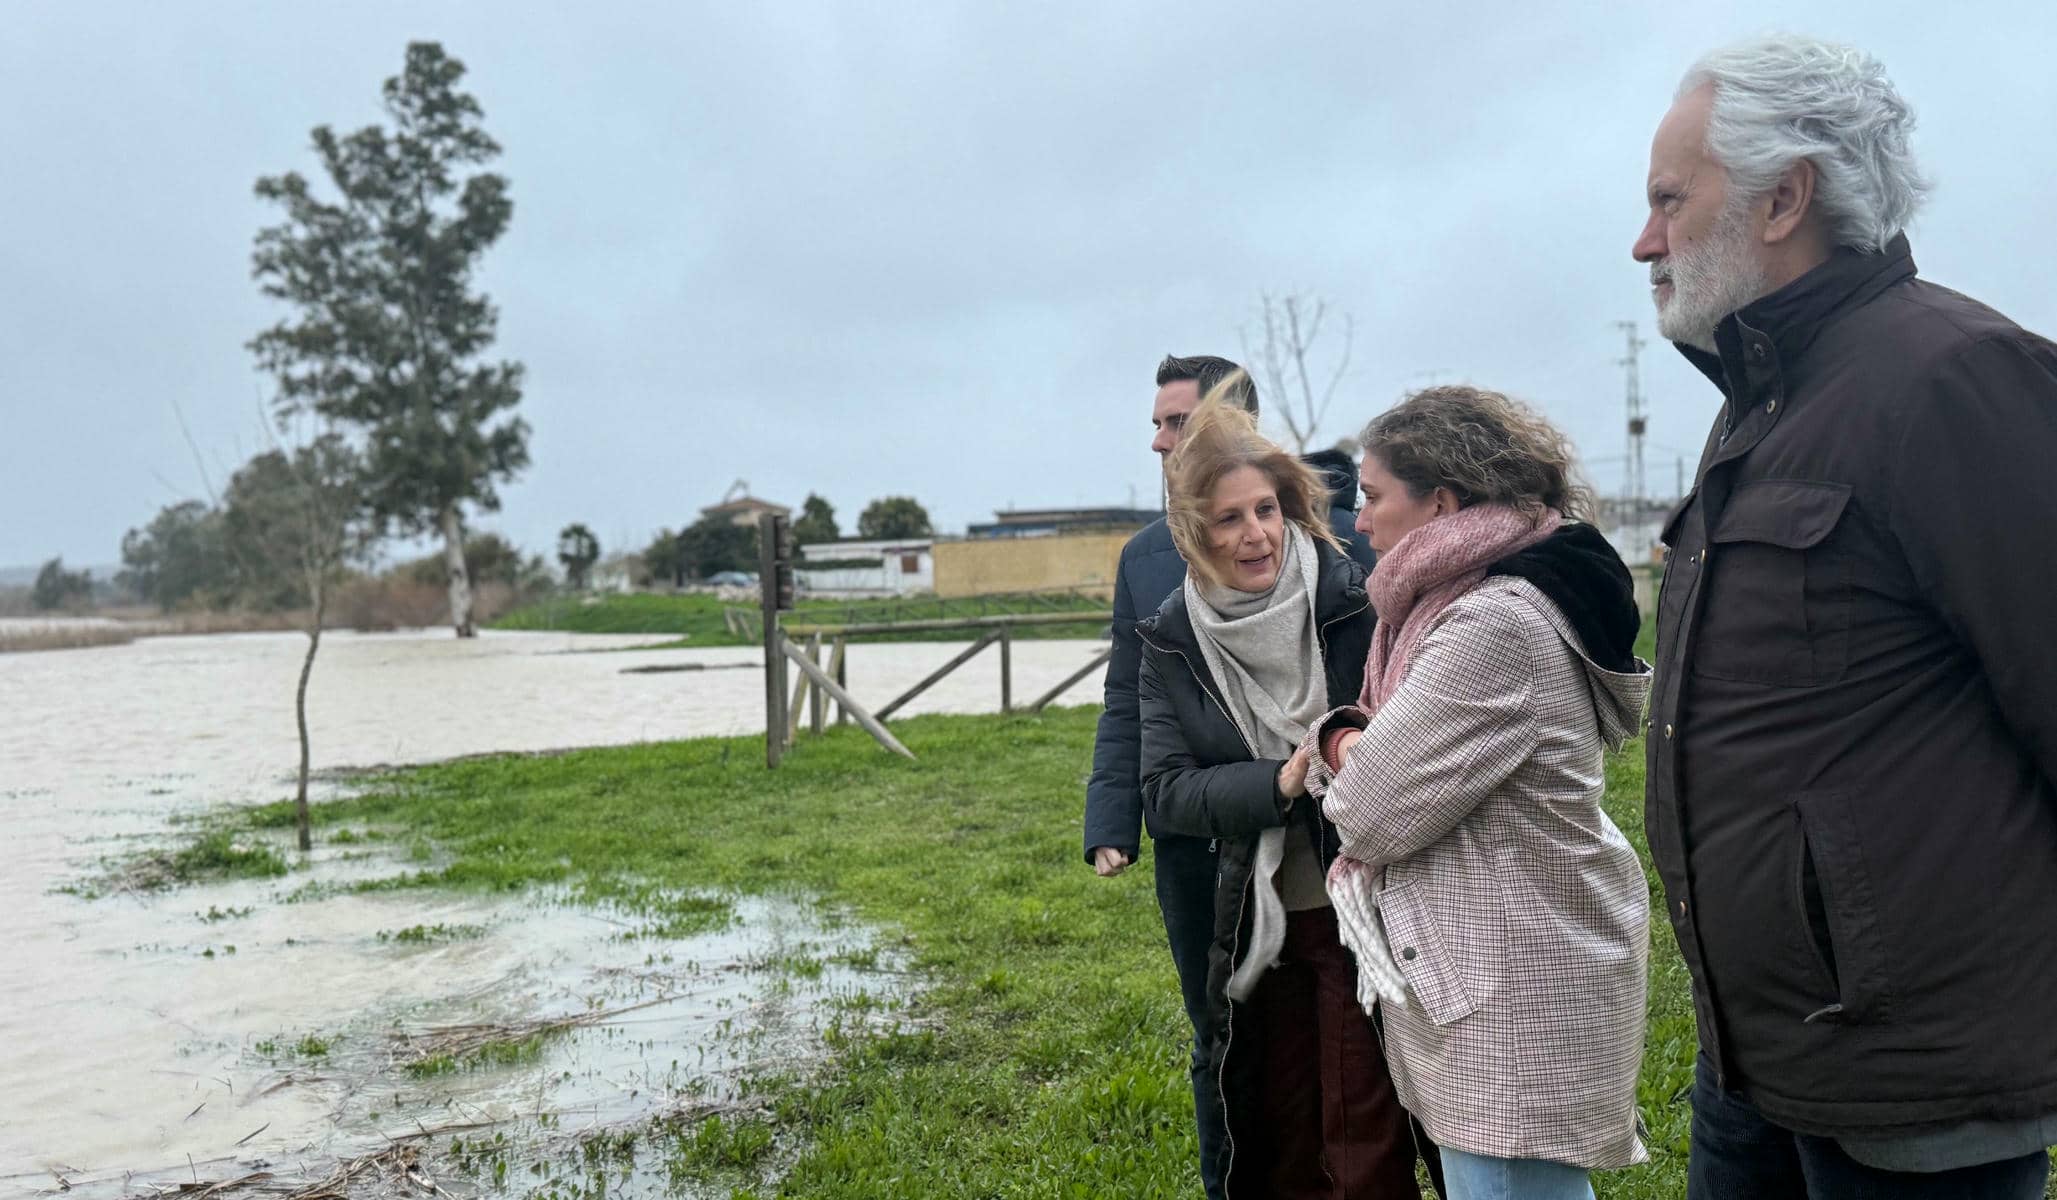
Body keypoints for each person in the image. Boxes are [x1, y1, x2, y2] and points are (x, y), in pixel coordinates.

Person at [1634, 36, 2057, 1199]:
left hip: (1914, 1096)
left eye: (1669, 200)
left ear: (1784, 197)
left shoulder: (1952, 379)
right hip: (1754, 1068)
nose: (1643, 240)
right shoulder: (1762, 401)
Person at [1308, 386, 1651, 1200]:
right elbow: (1375, 743)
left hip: (1511, 978)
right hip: (1503, 957)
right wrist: (1350, 737)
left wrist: (1339, 743)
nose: (1358, 521)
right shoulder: (1446, 605)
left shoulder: (1493, 624)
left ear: (1441, 502)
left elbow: (1370, 812)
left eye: (1372, 497)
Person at [1082, 353, 1376, 1199]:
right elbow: (1129, 698)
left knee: (1357, 1061)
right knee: (1226, 1043)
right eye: (1157, 423)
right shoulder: (1146, 560)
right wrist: (1112, 819)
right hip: (1212, 849)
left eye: (1175, 422)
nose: (1158, 440)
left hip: (1338, 849)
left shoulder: (1336, 548)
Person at [1136, 395, 1420, 1198]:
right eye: (1227, 519)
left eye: (1265, 509)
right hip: (1250, 921)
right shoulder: (1168, 637)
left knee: (1364, 1124)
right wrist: (1279, 779)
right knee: (1278, 1126)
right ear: (1193, 532)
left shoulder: (1355, 597)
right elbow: (1165, 793)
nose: (1254, 534)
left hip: (1362, 904)